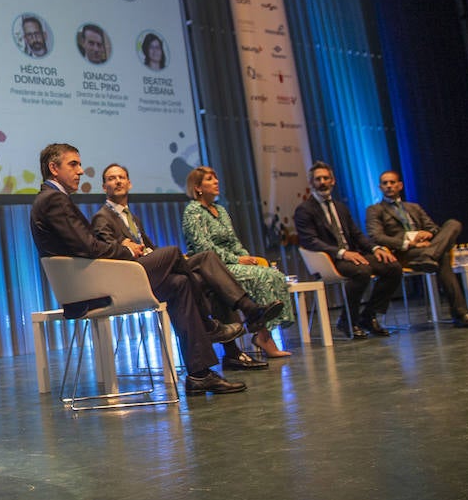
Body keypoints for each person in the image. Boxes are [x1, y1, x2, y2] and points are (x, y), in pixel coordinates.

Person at [29, 144, 247, 395]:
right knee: (174, 254)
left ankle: (199, 374)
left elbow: (84, 246)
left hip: (95, 279)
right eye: (73, 164)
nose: (80, 171)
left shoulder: (52, 199)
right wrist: (127, 251)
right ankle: (209, 325)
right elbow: (88, 247)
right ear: (53, 168)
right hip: (93, 287)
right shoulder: (53, 199)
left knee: (180, 284)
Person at [93, 163, 284, 372]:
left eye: (122, 177)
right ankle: (245, 312)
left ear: (129, 183)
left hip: (153, 269)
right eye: (112, 178)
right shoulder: (102, 217)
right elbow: (105, 250)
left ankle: (233, 350)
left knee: (207, 279)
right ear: (104, 187)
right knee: (204, 259)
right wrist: (123, 246)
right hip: (135, 277)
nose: (118, 181)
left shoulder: (132, 217)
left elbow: (151, 249)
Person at [182, 166, 294, 359]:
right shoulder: (193, 211)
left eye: (216, 178)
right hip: (212, 267)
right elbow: (203, 248)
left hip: (233, 261)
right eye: (210, 179)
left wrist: (247, 258)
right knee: (262, 276)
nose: (216, 182)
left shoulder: (221, 210)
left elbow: (234, 241)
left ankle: (263, 331)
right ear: (198, 187)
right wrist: (236, 259)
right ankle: (264, 337)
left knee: (273, 273)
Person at [293, 161, 403, 339]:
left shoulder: (340, 207)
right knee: (362, 271)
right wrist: (342, 253)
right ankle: (348, 320)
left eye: (326, 178)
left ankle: (368, 316)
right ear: (311, 183)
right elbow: (310, 241)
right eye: (318, 179)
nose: (322, 182)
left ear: (333, 181)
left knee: (393, 267)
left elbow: (357, 234)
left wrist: (376, 248)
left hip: (353, 255)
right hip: (331, 259)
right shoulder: (304, 210)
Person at [365, 170, 468, 328]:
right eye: (385, 183)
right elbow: (376, 236)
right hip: (403, 253)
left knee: (453, 224)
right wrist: (408, 242)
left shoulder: (414, 207)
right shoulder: (375, 210)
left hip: (426, 249)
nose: (389, 186)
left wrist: (427, 234)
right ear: (380, 187)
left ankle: (430, 255)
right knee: (444, 256)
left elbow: (434, 228)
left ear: (400, 185)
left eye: (392, 182)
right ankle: (461, 314)